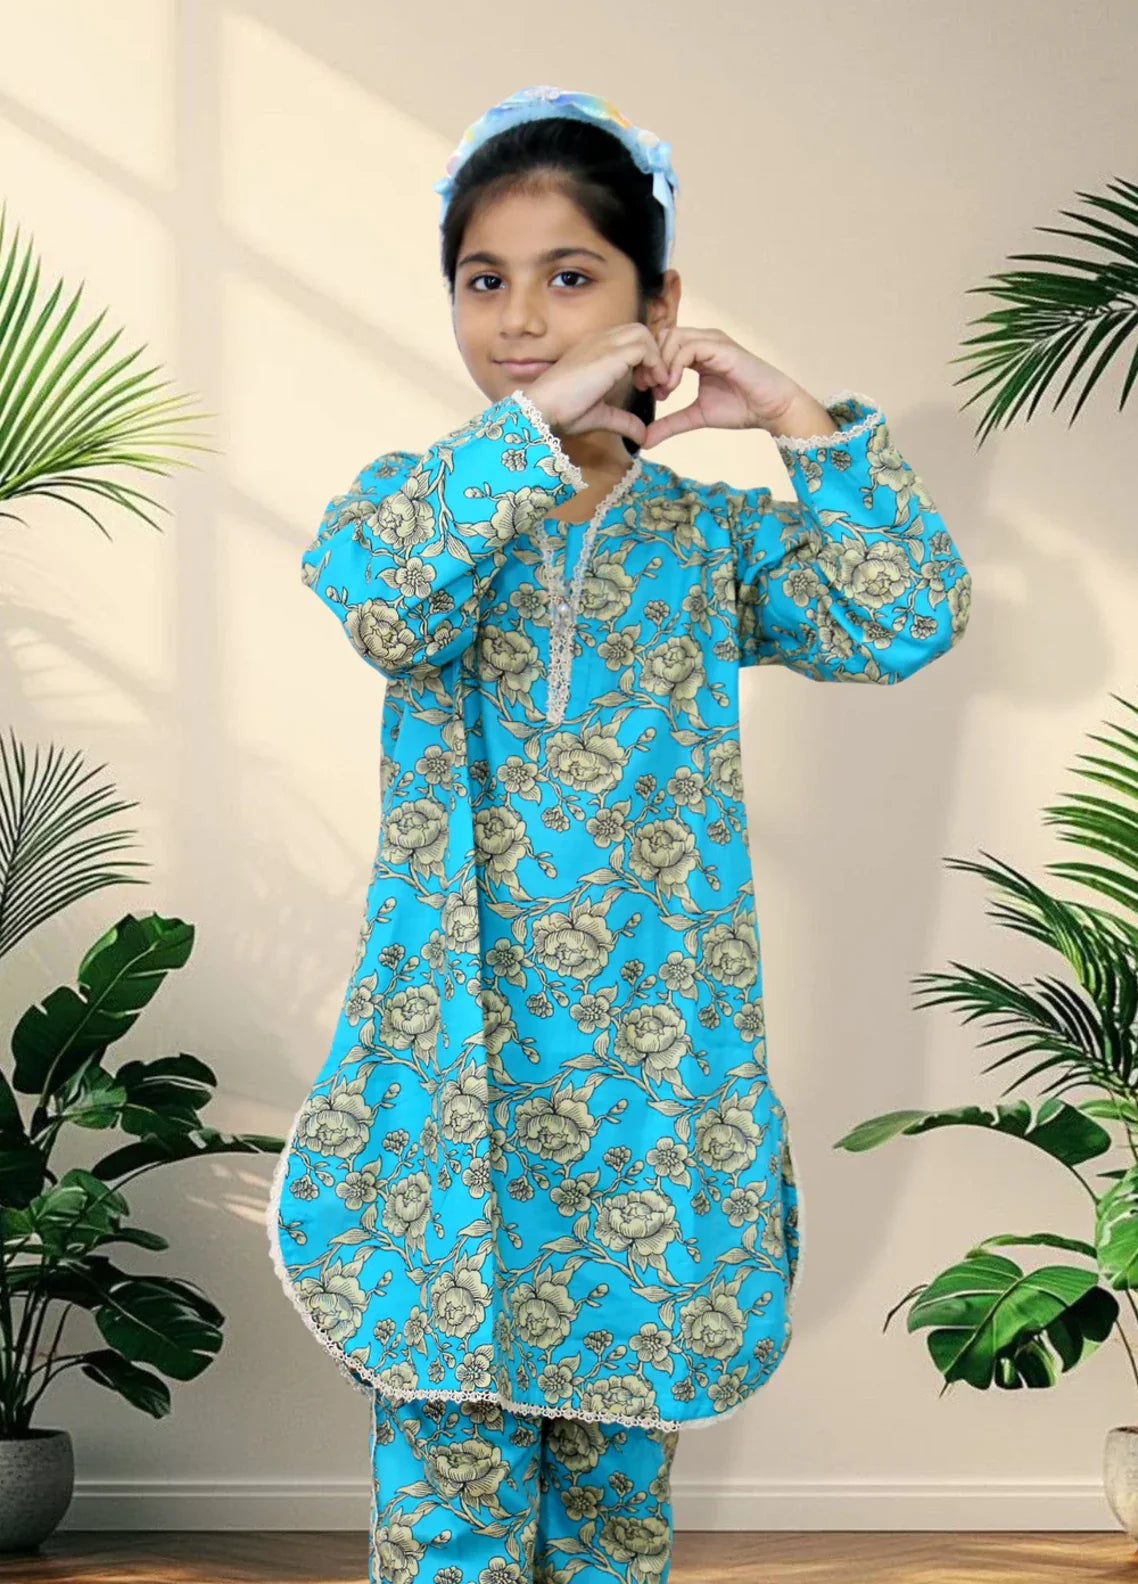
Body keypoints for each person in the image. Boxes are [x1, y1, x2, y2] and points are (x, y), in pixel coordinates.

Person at [267, 84, 973, 1582]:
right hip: (454, 1087)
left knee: (611, 1523)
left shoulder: (706, 543)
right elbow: (389, 609)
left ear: (658, 304)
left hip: (655, 1097)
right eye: (484, 280)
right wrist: (534, 427)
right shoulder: (414, 508)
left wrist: (790, 416)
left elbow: (904, 615)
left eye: (571, 276)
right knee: (449, 1520)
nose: (523, 318)